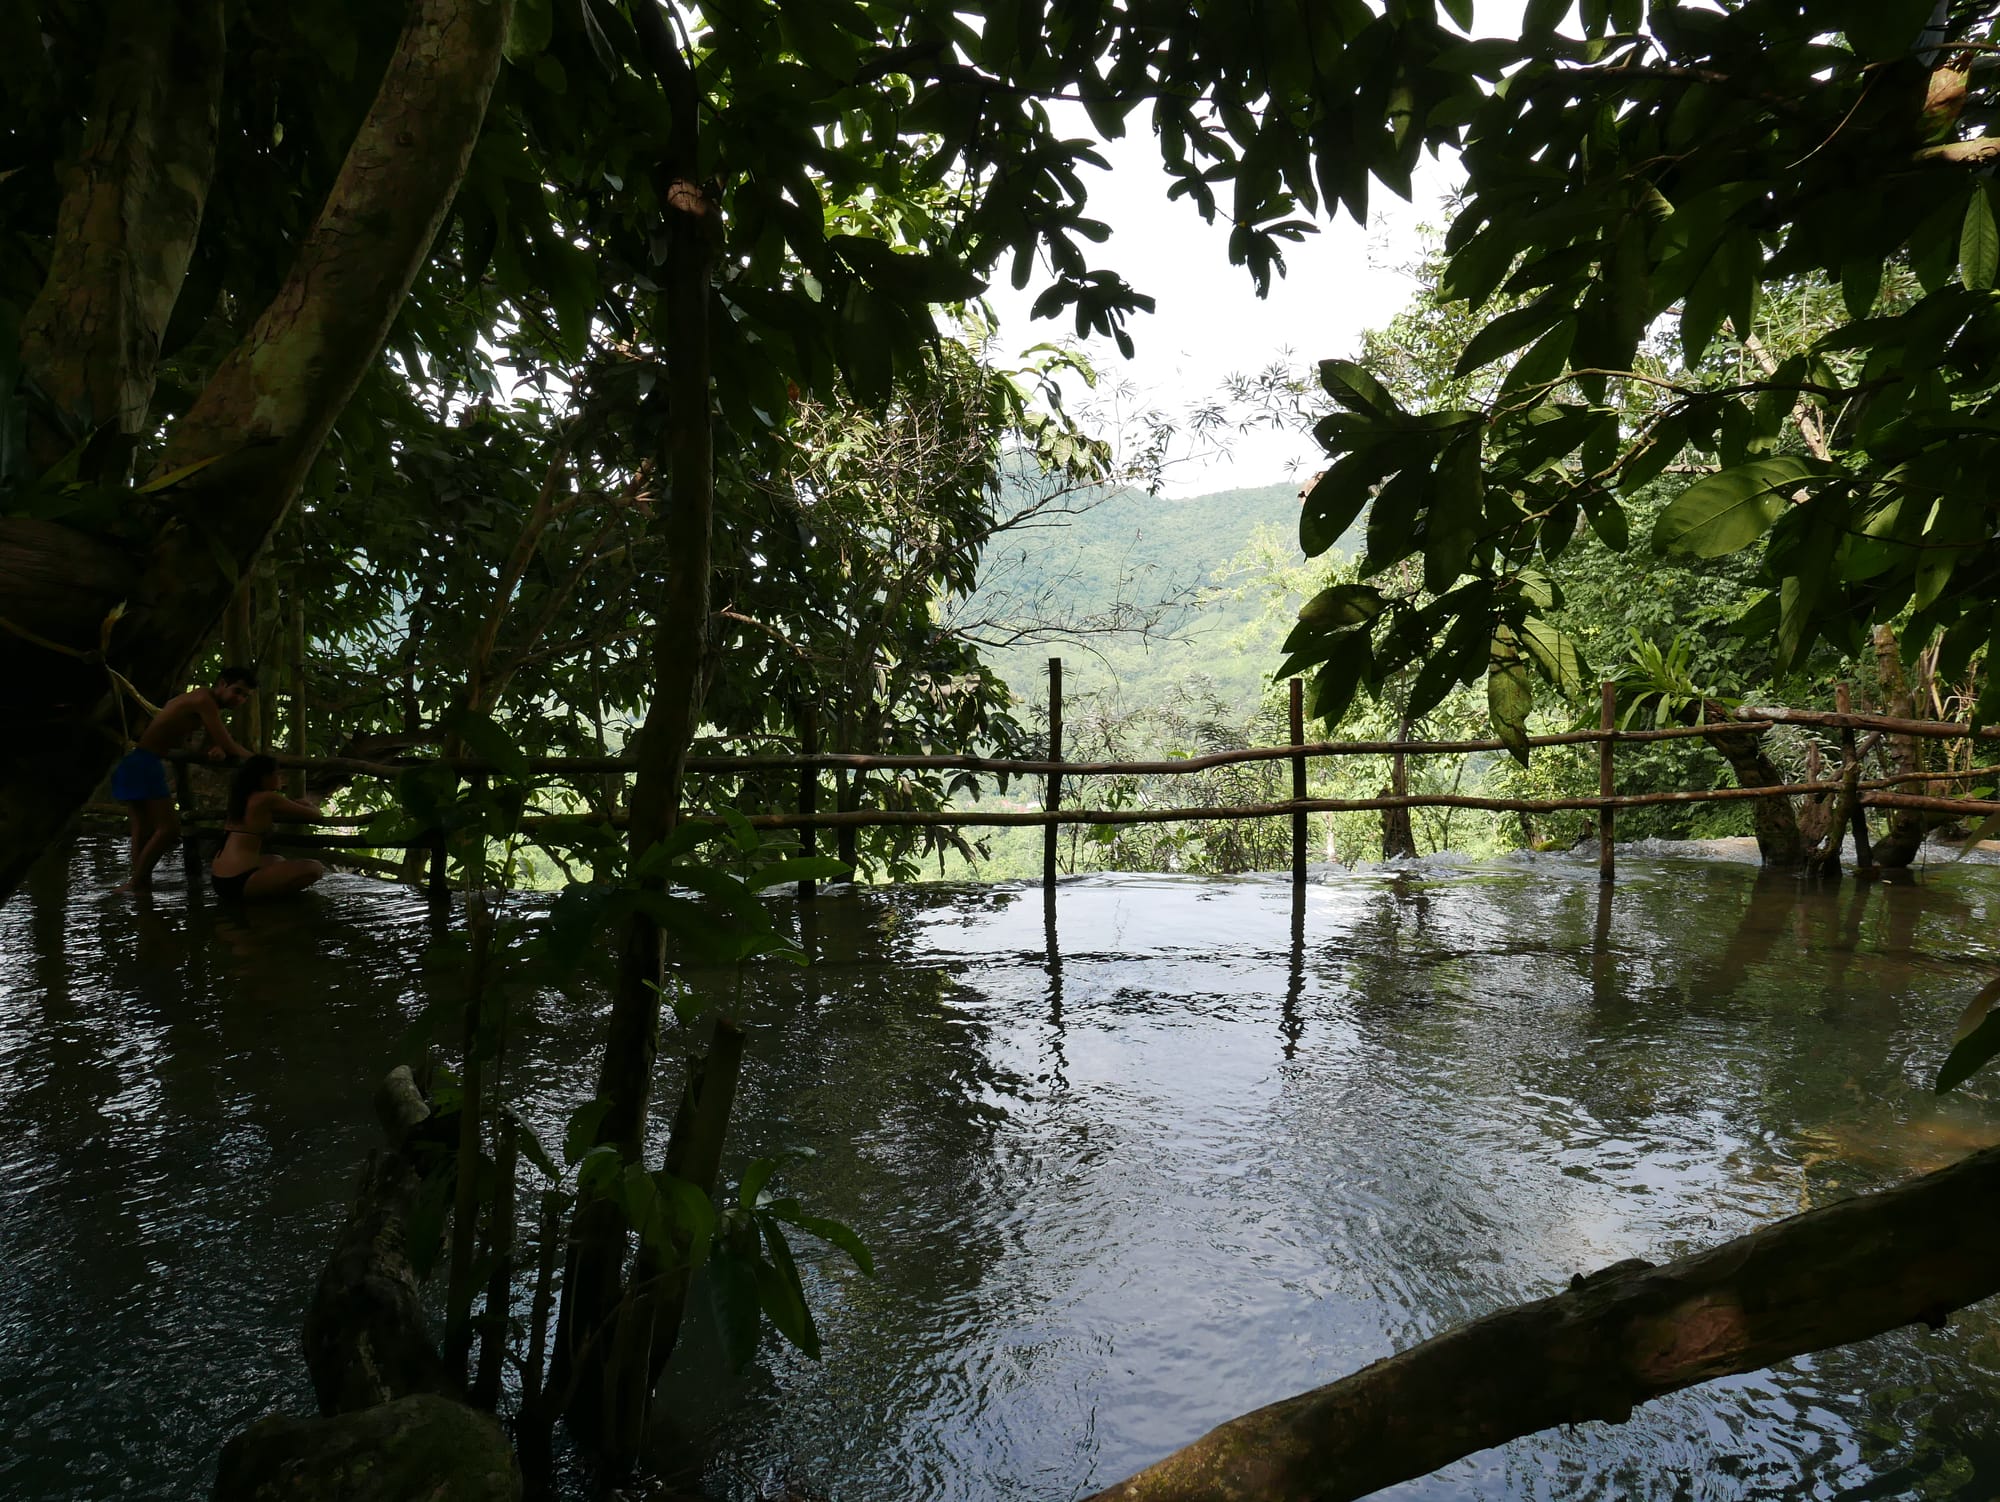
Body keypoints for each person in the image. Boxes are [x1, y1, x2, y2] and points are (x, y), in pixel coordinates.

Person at [112, 666, 260, 892]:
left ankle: (140, 883)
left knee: (142, 827)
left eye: (245, 696)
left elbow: (214, 743)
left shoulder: (202, 700)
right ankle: (137, 881)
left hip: (137, 761)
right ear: (221, 684)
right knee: (169, 830)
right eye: (237, 691)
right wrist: (259, 761)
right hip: (144, 764)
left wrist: (218, 748)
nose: (239, 699)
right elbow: (229, 743)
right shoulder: (204, 700)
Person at [210, 755, 327, 902]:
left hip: (220, 879)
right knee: (315, 868)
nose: (279, 777)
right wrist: (309, 805)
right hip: (238, 881)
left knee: (276, 859)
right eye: (276, 774)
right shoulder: (267, 798)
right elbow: (314, 815)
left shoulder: (242, 798)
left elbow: (285, 806)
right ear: (264, 777)